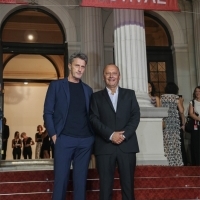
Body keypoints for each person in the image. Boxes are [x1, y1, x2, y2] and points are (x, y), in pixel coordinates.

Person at [43, 52, 94, 200]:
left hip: (85, 141)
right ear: (70, 66)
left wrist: (91, 139)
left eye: (83, 67)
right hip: (64, 139)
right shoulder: (56, 86)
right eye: (77, 65)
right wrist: (54, 135)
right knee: (61, 182)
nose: (80, 69)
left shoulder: (88, 90)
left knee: (80, 184)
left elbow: (90, 115)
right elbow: (47, 112)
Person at [90, 64, 140, 200]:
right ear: (103, 77)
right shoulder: (95, 97)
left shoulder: (130, 94)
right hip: (105, 147)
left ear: (119, 76)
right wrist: (111, 135)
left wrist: (123, 135)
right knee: (105, 189)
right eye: (108, 73)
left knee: (128, 188)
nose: (111, 76)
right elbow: (93, 119)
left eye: (114, 73)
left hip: (127, 145)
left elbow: (135, 116)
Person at [161, 82, 185, 166]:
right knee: (175, 142)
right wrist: (181, 102)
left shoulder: (162, 98)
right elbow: (181, 111)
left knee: (167, 142)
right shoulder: (176, 98)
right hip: (174, 122)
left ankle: (168, 161)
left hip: (165, 121)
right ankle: (176, 162)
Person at [188, 86, 200, 165]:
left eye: (199, 91)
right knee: (196, 145)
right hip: (196, 125)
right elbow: (191, 114)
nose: (197, 93)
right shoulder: (192, 102)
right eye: (196, 91)